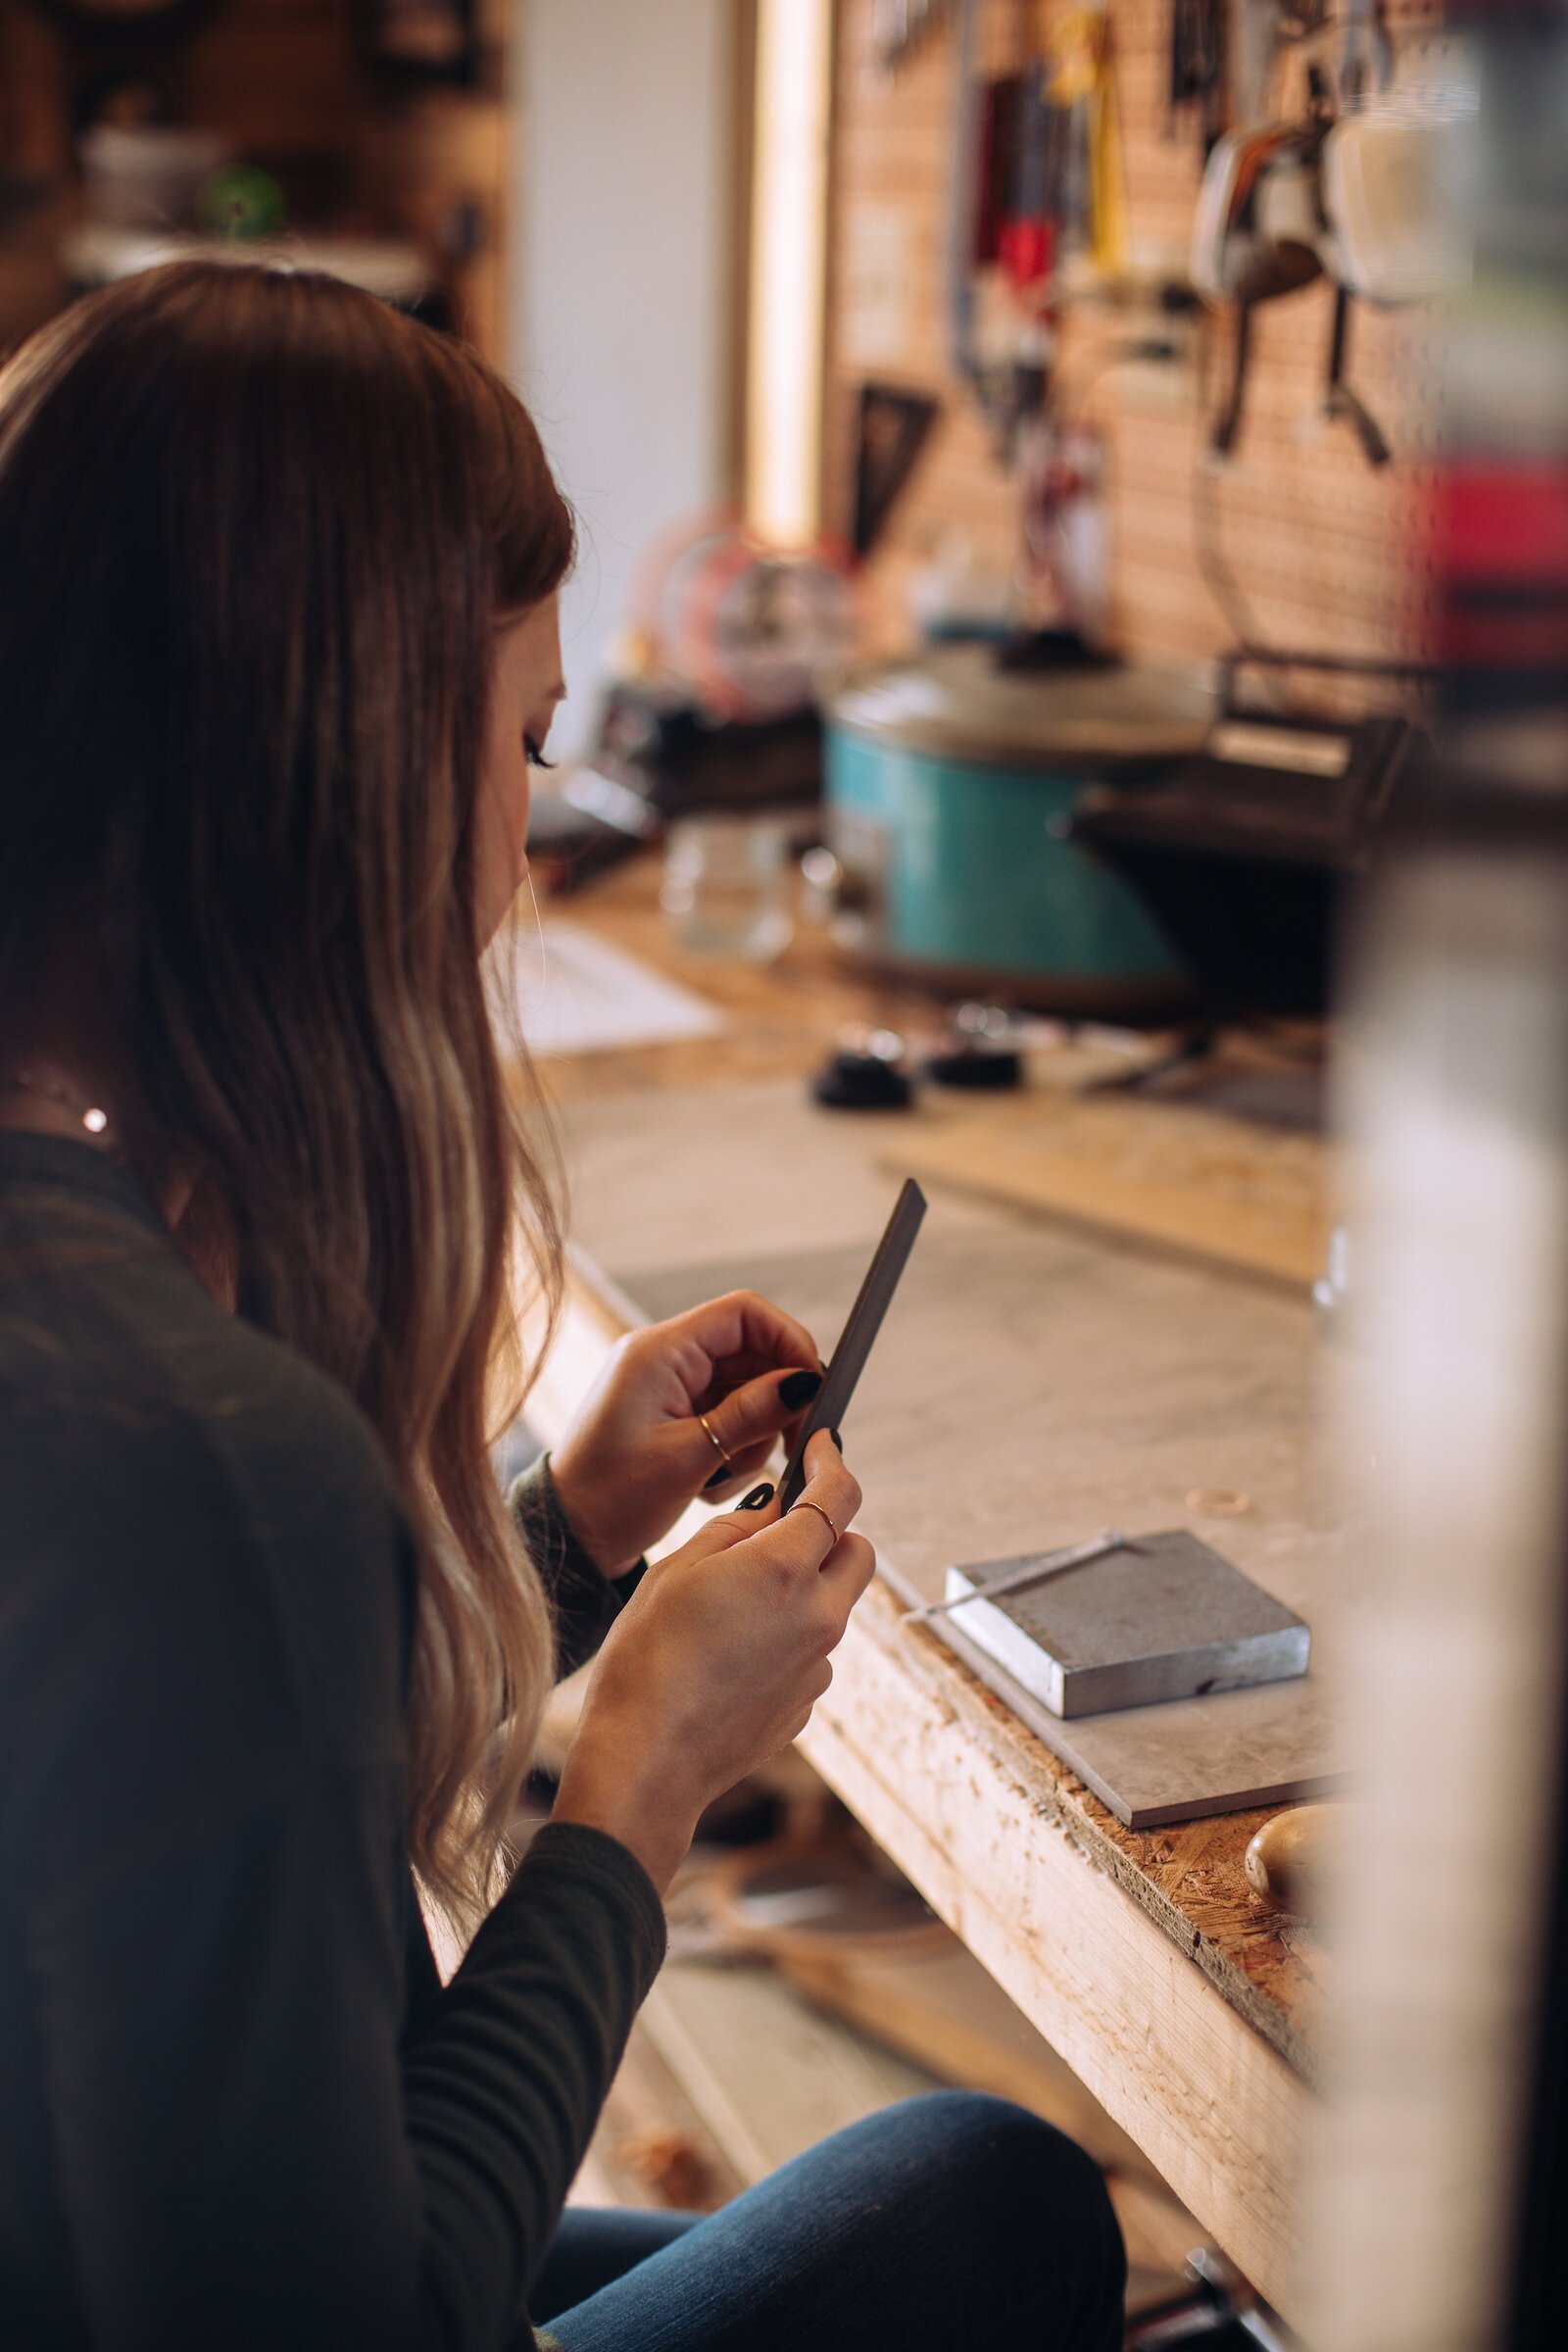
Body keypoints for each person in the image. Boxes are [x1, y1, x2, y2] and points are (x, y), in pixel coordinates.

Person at [0, 261, 1125, 2352]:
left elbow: (168, 1792)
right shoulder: (191, 1458)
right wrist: (632, 1794)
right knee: (991, 2205)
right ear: (335, 783)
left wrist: (556, 1541)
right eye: (521, 740)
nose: (529, 826)